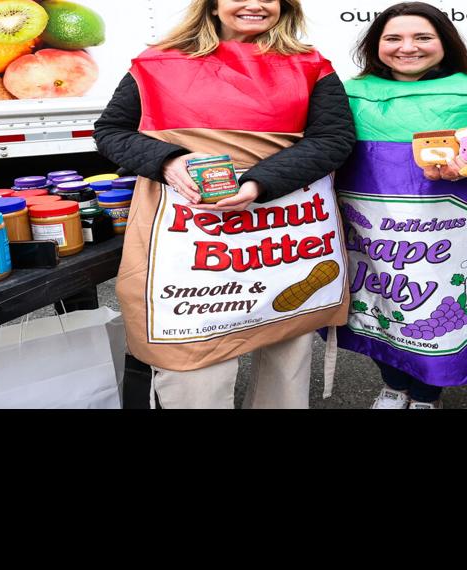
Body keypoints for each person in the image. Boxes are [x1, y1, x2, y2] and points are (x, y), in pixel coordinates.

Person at [94, 0, 355, 409]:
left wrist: (257, 184)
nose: (255, 4)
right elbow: (111, 131)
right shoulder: (157, 63)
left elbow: (333, 139)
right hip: (191, 239)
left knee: (286, 350)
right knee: (191, 363)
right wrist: (168, 160)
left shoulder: (309, 65)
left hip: (284, 236)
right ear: (213, 6)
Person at [334, 2, 467, 409]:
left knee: (438, 310)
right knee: (380, 304)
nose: (407, 47)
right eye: (393, 38)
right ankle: (393, 386)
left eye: (422, 37)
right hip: (373, 234)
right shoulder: (351, 94)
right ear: (376, 45)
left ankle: (428, 394)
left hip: (447, 240)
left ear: (444, 42)